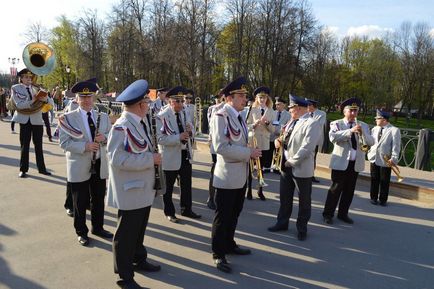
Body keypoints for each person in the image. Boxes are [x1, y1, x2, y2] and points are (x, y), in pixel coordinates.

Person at [106, 79, 162, 289]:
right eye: (147, 102)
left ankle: (139, 259)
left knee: (138, 230)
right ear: (140, 105)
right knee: (126, 235)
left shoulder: (139, 123)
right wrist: (151, 160)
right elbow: (116, 159)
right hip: (130, 191)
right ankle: (124, 276)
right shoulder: (121, 127)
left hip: (142, 189)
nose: (148, 105)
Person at [211, 76, 262, 273]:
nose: (245, 99)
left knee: (234, 213)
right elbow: (220, 147)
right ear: (229, 98)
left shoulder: (239, 116)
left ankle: (229, 244)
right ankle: (218, 253)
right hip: (227, 175)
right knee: (222, 217)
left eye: (245, 95)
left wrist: (248, 146)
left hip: (240, 173)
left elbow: (237, 141)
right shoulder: (220, 116)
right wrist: (248, 152)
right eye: (241, 95)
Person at [59, 80, 113, 246]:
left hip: (98, 163)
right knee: (80, 201)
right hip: (79, 165)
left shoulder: (102, 117)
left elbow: (111, 136)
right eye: (82, 97)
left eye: (89, 96)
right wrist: (85, 146)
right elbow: (64, 143)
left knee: (98, 199)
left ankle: (98, 227)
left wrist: (104, 138)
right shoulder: (67, 118)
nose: (87, 100)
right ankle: (81, 231)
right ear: (76, 98)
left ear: (94, 97)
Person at [267, 95, 320, 241]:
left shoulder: (311, 123)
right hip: (285, 165)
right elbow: (285, 137)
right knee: (285, 197)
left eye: (291, 108)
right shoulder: (291, 121)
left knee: (304, 201)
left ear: (298, 108)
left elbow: (307, 148)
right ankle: (282, 223)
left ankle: (302, 228)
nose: (289, 110)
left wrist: (292, 161)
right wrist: (279, 141)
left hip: (299, 166)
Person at [322, 97, 374, 224]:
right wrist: (350, 131)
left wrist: (363, 133)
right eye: (351, 111)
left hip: (355, 163)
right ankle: (328, 214)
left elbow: (371, 142)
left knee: (349, 191)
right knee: (335, 189)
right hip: (340, 162)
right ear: (344, 111)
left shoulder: (364, 125)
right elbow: (333, 138)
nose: (353, 114)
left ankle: (343, 214)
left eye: (355, 111)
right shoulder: (336, 123)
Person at [156, 86, 201, 223]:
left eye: (182, 101)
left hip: (185, 153)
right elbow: (160, 139)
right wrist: (178, 137)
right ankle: (169, 212)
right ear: (170, 101)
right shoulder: (161, 116)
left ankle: (186, 209)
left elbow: (191, 127)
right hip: (170, 156)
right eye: (177, 101)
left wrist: (191, 130)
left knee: (186, 184)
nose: (181, 104)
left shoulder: (184, 112)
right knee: (168, 187)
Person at [11, 68, 51, 178]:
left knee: (39, 145)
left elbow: (50, 102)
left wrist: (45, 99)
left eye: (30, 77)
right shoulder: (15, 88)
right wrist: (33, 100)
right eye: (27, 77)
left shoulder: (37, 88)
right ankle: (23, 169)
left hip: (37, 119)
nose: (29, 79)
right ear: (21, 78)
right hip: (24, 120)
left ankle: (42, 169)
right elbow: (19, 104)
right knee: (25, 146)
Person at [246, 86, 275, 200]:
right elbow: (246, 126)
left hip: (265, 143)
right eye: (260, 97)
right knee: (250, 167)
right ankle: (249, 190)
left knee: (261, 168)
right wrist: (254, 124)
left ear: (267, 98)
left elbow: (273, 130)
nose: (262, 99)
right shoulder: (251, 110)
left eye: (264, 97)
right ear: (256, 98)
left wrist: (267, 123)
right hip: (253, 141)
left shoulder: (272, 111)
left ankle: (260, 190)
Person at [367, 109, 401, 206]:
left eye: (377, 119)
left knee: (384, 180)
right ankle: (373, 197)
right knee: (374, 178)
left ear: (384, 120)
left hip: (386, 159)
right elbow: (372, 142)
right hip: (374, 157)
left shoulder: (394, 130)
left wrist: (394, 158)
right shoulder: (374, 129)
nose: (375, 120)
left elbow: (396, 146)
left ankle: (383, 199)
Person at [206, 92, 225, 210]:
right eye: (219, 97)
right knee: (215, 171)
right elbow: (212, 125)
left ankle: (220, 197)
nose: (220, 99)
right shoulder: (214, 109)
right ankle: (211, 198)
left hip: (226, 145)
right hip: (216, 145)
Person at [306, 98, 327, 183]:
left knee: (312, 158)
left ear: (312, 105)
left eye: (308, 105)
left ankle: (311, 175)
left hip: (315, 140)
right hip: (305, 139)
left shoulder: (321, 114)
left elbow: (319, 125)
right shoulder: (306, 113)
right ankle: (305, 174)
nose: (307, 107)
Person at [270, 97, 291, 173]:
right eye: (276, 104)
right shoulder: (273, 113)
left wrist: (280, 131)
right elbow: (271, 123)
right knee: (269, 152)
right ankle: (268, 166)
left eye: (279, 104)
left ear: (284, 105)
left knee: (278, 153)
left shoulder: (288, 115)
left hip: (280, 137)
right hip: (271, 136)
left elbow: (287, 126)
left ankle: (277, 167)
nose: (277, 106)